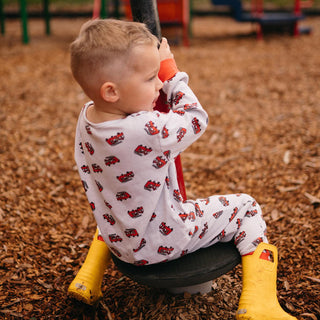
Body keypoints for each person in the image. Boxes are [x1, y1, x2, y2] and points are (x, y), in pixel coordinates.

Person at [68, 19, 297, 320]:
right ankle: (259, 303)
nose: (159, 84)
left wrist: (147, 74)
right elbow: (195, 117)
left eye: (159, 77)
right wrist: (172, 73)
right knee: (246, 207)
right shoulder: (148, 128)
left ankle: (88, 277)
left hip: (119, 239)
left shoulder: (87, 118)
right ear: (111, 91)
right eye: (151, 78)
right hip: (163, 240)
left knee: (117, 202)